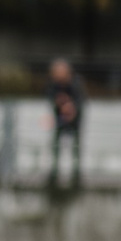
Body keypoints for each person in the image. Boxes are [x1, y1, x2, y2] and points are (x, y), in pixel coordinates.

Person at [49, 57, 87, 185]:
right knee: (57, 141)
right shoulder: (54, 85)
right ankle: (54, 168)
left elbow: (81, 100)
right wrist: (59, 102)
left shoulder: (76, 83)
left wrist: (71, 107)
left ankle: (76, 169)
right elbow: (49, 95)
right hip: (59, 117)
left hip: (75, 118)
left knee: (75, 142)